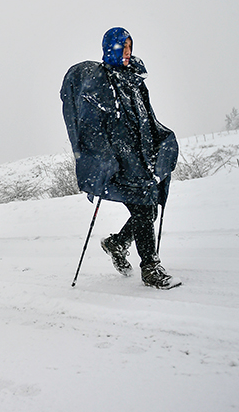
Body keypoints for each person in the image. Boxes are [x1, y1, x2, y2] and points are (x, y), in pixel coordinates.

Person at [60, 27, 181, 289]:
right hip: (121, 159)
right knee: (141, 208)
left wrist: (160, 143)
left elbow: (146, 118)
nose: (126, 53)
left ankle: (117, 243)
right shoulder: (100, 81)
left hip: (141, 157)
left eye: (129, 48)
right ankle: (150, 267)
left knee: (148, 210)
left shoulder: (135, 81)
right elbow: (93, 124)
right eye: (121, 48)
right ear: (109, 49)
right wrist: (105, 157)